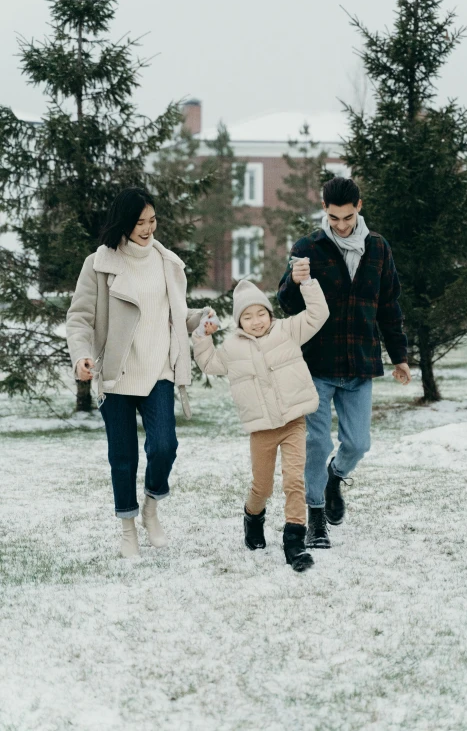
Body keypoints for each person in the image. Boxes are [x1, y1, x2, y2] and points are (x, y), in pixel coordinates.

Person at [66, 187, 209, 558]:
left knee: (164, 446)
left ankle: (151, 509)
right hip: (116, 375)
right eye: (140, 222)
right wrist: (82, 355)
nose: (148, 229)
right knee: (123, 455)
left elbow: (173, 314)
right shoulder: (99, 264)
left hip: (158, 369)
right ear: (124, 223)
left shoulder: (167, 263)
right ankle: (128, 526)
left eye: (152, 221)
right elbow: (80, 317)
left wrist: (200, 320)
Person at [277, 176, 411, 549]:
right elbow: (287, 303)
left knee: (359, 443)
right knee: (316, 444)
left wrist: (399, 357)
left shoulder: (378, 249)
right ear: (325, 210)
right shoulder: (308, 247)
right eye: (334, 217)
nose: (340, 225)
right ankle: (316, 517)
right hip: (317, 365)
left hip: (360, 365)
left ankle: (335, 478)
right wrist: (293, 278)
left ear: (359, 207)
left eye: (347, 217)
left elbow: (389, 307)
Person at [193, 274, 329, 572]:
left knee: (295, 482)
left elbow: (319, 314)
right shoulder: (231, 349)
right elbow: (207, 363)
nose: (256, 321)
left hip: (293, 422)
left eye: (261, 314)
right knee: (262, 487)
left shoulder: (288, 330)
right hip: (262, 430)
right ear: (239, 322)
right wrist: (203, 337)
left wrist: (307, 283)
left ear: (270, 313)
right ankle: (253, 517)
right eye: (248, 316)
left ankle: (294, 541)